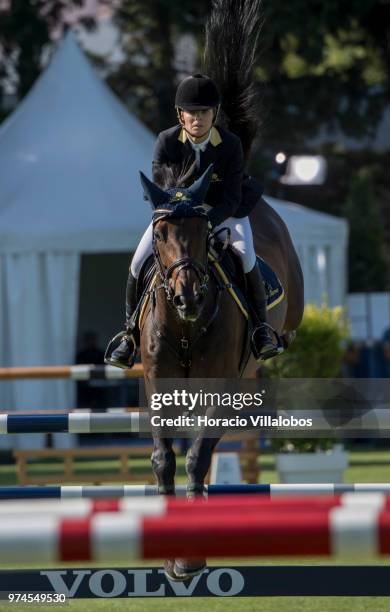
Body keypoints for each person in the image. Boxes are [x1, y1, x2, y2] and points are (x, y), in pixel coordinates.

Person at [107, 73, 279, 368]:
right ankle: (130, 333)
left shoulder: (230, 145)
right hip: (176, 217)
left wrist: (208, 222)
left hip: (222, 213)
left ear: (214, 113)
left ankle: (262, 330)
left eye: (204, 112)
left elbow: (231, 197)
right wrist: (180, 213)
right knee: (137, 262)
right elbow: (159, 187)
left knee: (246, 255)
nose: (197, 118)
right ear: (180, 115)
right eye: (191, 112)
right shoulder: (166, 141)